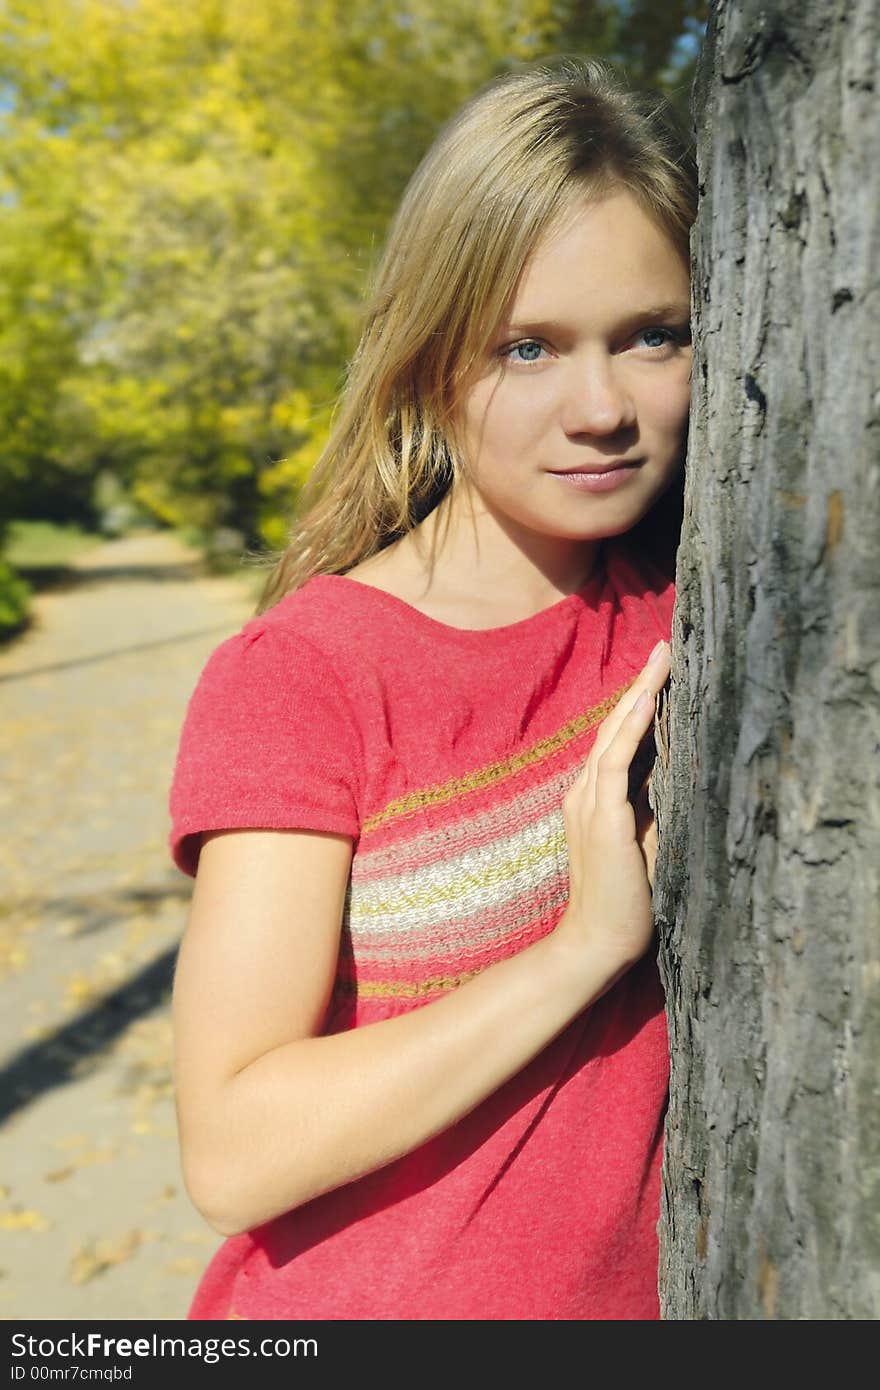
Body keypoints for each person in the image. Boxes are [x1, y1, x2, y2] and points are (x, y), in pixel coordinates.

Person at [168, 56, 695, 1321]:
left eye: (651, 336)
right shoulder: (306, 675)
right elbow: (232, 1148)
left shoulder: (712, 610)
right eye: (527, 347)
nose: (601, 408)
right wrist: (582, 950)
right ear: (424, 356)